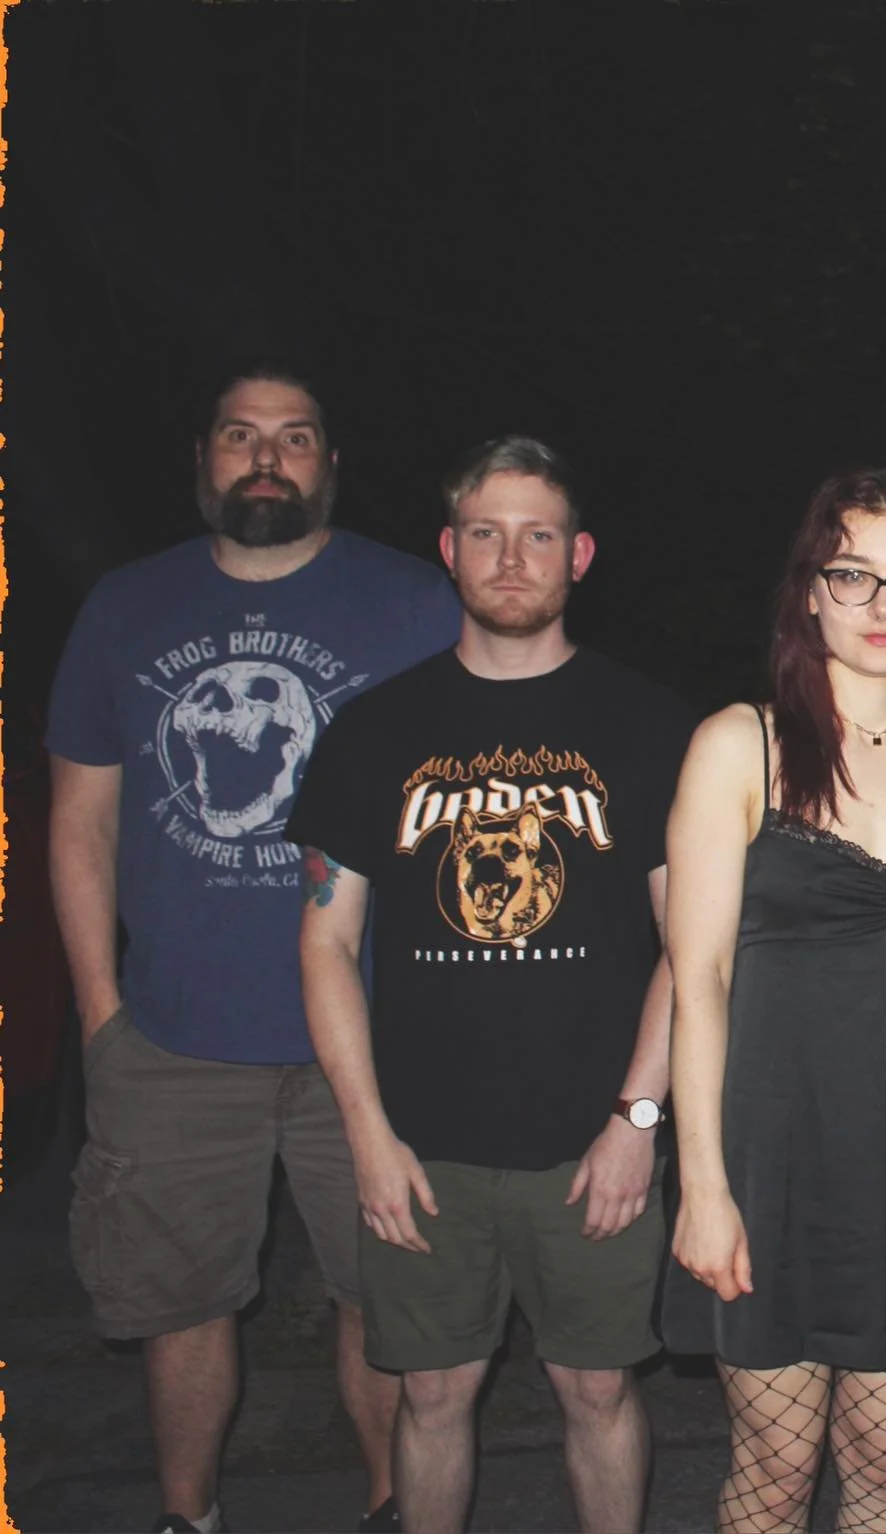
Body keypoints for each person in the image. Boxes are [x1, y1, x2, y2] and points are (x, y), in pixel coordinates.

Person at [46, 362, 461, 1534]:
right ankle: (190, 1517)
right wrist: (98, 1012)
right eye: (240, 435)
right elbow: (77, 819)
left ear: (330, 464)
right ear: (203, 461)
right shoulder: (125, 608)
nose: (265, 457)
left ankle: (390, 1507)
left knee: (383, 1302)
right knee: (181, 1307)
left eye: (293, 437)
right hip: (173, 1038)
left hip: (373, 1041)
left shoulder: (415, 602)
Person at [289, 437, 696, 1534]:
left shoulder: (650, 726)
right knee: (431, 1395)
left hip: (591, 1144)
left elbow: (689, 944)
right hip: (423, 1148)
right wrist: (366, 1135)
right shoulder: (375, 730)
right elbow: (326, 944)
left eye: (538, 535)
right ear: (449, 550)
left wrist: (637, 1120)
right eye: (485, 532)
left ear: (580, 555)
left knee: (599, 1389)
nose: (511, 558)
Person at [663, 468, 886, 1533]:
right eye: (852, 576)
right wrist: (702, 1184)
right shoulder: (741, 744)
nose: (881, 606)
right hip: (767, 1160)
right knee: (774, 1470)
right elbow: (700, 975)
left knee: (883, 1458)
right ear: (809, 594)